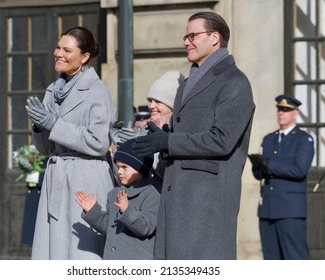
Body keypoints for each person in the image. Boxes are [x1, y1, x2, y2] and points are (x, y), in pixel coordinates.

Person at [132, 11, 255, 259]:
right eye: (185, 36)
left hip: (206, 201)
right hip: (177, 198)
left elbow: (221, 139)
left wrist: (168, 140)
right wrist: (162, 135)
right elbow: (187, 134)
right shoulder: (189, 82)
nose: (186, 41)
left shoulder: (235, 82)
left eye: (193, 35)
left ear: (214, 38)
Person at [25, 26, 116, 259]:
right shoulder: (52, 91)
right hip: (56, 177)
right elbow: (46, 149)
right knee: (53, 251)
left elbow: (98, 142)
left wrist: (53, 124)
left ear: (84, 57)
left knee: (80, 253)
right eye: (58, 47)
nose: (59, 53)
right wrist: (39, 127)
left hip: (85, 179)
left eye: (67, 49)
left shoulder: (97, 91)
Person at [248, 95, 314, 260]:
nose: (281, 113)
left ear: (295, 113)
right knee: (272, 260)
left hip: (289, 210)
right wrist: (257, 165)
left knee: (295, 258)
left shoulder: (304, 139)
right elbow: (260, 175)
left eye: (286, 110)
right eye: (279, 109)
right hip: (267, 209)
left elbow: (299, 170)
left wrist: (268, 163)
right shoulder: (269, 139)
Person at [75, 139, 160, 259]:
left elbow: (146, 228)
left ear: (140, 168)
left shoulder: (152, 195)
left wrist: (126, 210)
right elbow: (110, 228)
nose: (119, 171)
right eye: (118, 166)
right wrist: (92, 212)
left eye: (124, 167)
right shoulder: (114, 193)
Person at [110, 70, 185, 192]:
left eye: (158, 101)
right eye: (150, 100)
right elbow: (123, 181)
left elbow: (169, 174)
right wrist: (119, 151)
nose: (151, 106)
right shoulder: (146, 131)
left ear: (172, 104)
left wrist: (153, 148)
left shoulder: (180, 132)